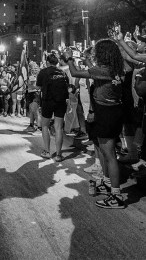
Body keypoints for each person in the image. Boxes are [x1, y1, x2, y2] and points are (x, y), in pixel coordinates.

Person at [65, 38, 125, 209]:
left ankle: (116, 196)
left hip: (106, 113)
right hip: (113, 111)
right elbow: (92, 68)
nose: (95, 54)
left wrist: (70, 58)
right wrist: (86, 59)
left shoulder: (104, 71)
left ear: (103, 54)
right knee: (107, 152)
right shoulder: (116, 69)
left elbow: (76, 73)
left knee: (109, 154)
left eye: (97, 52)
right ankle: (107, 183)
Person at [36, 53, 69, 162]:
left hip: (48, 101)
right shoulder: (62, 72)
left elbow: (38, 87)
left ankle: (47, 151)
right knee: (59, 127)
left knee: (45, 125)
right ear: (57, 62)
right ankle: (59, 155)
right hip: (61, 101)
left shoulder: (43, 72)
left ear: (47, 62)